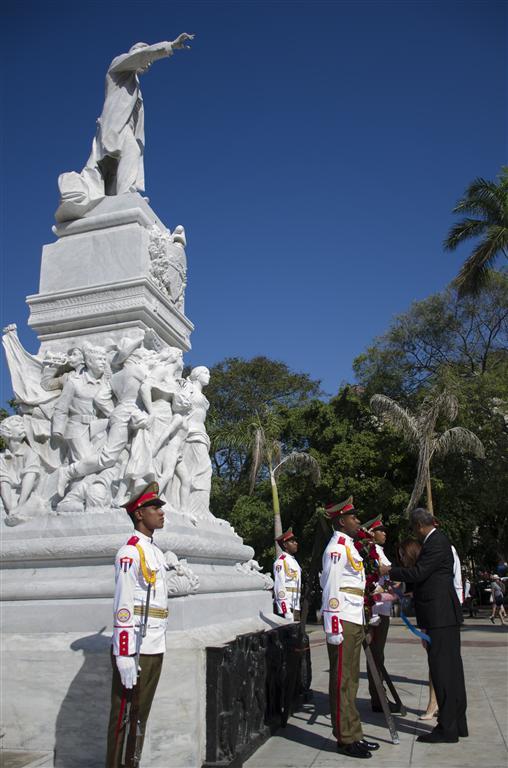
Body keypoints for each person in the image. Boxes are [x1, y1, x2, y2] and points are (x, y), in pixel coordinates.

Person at [380, 507, 467, 743]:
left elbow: (419, 572)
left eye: (414, 528)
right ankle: (457, 723)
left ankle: (447, 728)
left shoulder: (435, 541)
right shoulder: (438, 541)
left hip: (440, 617)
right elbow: (427, 578)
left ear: (419, 525)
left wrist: (390, 571)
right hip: (443, 615)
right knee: (451, 671)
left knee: (442, 672)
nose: (415, 533)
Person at [105, 482, 170, 767]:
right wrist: (124, 654)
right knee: (123, 720)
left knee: (140, 718)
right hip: (136, 648)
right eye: (155, 508)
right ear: (139, 514)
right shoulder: (129, 553)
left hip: (155, 644)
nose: (161, 512)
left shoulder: (155, 552)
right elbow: (123, 608)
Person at [320, 497, 379, 759]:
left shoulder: (351, 548)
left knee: (352, 680)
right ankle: (344, 738)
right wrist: (333, 626)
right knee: (342, 679)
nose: (358, 521)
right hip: (342, 618)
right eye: (353, 517)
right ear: (341, 521)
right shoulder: (336, 549)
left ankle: (354, 733)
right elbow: (331, 587)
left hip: (354, 617)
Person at [366, 519, 399, 714]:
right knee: (375, 654)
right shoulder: (371, 551)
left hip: (383, 606)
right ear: (372, 533)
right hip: (376, 609)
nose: (384, 534)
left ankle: (379, 696)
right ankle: (378, 698)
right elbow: (374, 571)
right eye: (380, 531)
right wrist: (392, 570)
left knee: (379, 654)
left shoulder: (380, 551)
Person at [273, 529, 302, 621]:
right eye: (292, 542)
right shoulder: (281, 562)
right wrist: (285, 610)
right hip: (287, 604)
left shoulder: (293, 561)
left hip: (295, 602)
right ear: (285, 545)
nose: (296, 543)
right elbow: (279, 587)